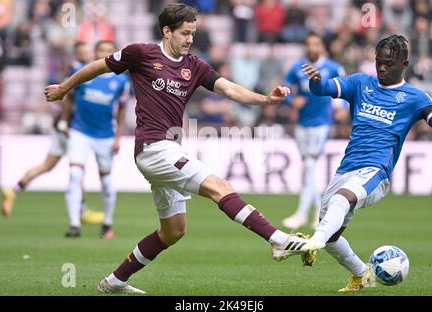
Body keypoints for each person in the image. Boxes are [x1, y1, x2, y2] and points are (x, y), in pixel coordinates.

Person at [45, 3, 320, 294]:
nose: (190, 39)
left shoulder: (195, 66)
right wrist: (64, 87)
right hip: (154, 148)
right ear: (167, 31)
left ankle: (114, 282)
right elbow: (98, 66)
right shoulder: (140, 53)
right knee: (219, 186)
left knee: (173, 231)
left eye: (193, 33)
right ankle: (277, 239)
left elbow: (228, 88)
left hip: (169, 149)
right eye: (185, 33)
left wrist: (265, 100)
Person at [300, 34, 432, 292]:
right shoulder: (360, 83)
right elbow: (322, 89)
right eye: (378, 62)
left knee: (339, 203)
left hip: (376, 171)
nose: (381, 68)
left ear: (405, 64)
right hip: (346, 168)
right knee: (332, 234)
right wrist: (316, 81)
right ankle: (360, 274)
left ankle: (313, 242)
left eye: (388, 64)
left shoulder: (415, 97)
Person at [1, 42, 103, 225]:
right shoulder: (77, 70)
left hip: (64, 127)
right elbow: (64, 97)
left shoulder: (82, 69)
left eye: (88, 51)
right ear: (77, 54)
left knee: (47, 166)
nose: (87, 54)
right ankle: (82, 212)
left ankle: (14, 189)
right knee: (77, 169)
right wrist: (65, 122)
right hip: (70, 128)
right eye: (83, 52)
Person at [63, 40, 130, 239]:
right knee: (75, 175)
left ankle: (107, 223)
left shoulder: (120, 81)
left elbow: (123, 109)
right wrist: (65, 123)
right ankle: (74, 224)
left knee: (107, 181)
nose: (105, 54)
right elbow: (66, 94)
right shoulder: (82, 72)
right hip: (79, 131)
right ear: (95, 52)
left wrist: (118, 137)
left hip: (105, 136)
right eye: (101, 50)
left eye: (109, 51)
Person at [282, 33, 347, 230]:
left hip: (322, 123)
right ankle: (319, 212)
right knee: (308, 168)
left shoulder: (333, 67)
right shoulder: (297, 68)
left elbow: (345, 89)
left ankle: (302, 214)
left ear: (321, 47)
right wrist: (292, 101)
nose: (313, 48)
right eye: (309, 44)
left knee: (310, 165)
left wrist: (342, 108)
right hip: (302, 124)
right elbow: (284, 89)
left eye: (316, 44)